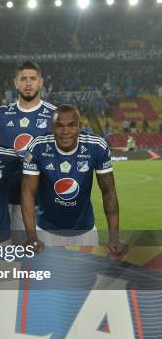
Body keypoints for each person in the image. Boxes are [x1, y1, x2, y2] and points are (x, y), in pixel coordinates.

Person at [21, 104, 127, 254]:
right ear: (52, 127)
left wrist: (114, 237)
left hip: (85, 232)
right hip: (45, 231)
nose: (65, 131)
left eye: (71, 125)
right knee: (46, 277)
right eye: (59, 126)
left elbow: (108, 191)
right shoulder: (38, 146)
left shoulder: (96, 146)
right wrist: (31, 237)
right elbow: (27, 192)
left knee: (86, 277)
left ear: (80, 126)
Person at [0, 60, 56, 232]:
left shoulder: (55, 115)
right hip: (5, 200)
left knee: (43, 255)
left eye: (33, 78)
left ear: (40, 82)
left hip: (44, 201)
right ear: (15, 82)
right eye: (23, 78)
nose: (28, 83)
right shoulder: (1, 114)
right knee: (10, 255)